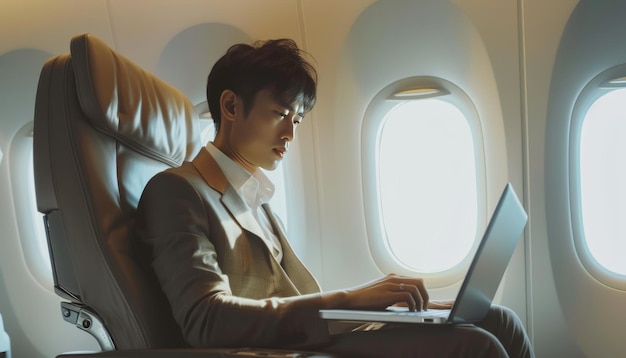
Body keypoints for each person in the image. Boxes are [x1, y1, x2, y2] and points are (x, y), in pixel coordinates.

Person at [134, 38, 534, 357]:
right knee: (475, 347)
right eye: (279, 113)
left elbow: (290, 301)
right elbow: (207, 320)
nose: (290, 134)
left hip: (304, 337)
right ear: (231, 105)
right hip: (268, 349)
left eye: (297, 119)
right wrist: (353, 299)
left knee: (499, 321)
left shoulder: (255, 197)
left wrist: (393, 312)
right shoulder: (179, 191)